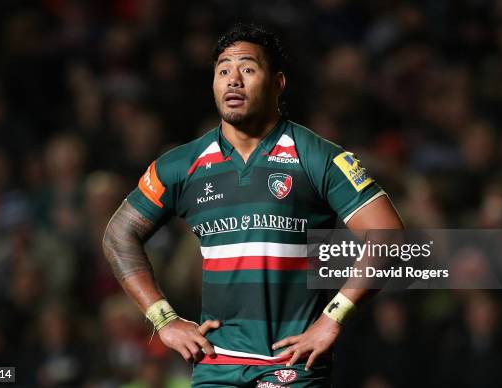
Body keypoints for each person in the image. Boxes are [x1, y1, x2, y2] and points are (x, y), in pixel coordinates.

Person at [103, 23, 403, 387]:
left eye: (247, 69)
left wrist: (332, 318)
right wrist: (164, 319)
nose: (233, 80)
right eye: (223, 70)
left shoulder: (316, 156)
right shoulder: (182, 165)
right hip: (215, 365)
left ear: (278, 83)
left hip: (292, 366)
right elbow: (119, 234)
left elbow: (389, 237)